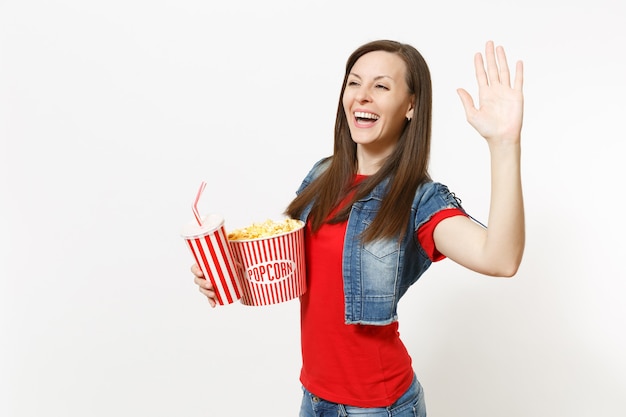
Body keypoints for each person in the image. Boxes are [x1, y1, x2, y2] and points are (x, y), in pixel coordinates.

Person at [192, 39, 524, 417]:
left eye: (381, 86)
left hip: (377, 408)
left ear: (411, 105)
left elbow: (500, 259)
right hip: (314, 399)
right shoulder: (322, 176)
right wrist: (227, 271)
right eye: (354, 83)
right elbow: (295, 269)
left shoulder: (418, 200)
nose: (362, 96)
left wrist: (504, 144)